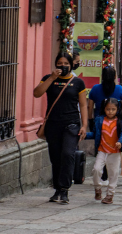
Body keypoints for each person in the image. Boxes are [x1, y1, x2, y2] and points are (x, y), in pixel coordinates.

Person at [33, 52, 88, 204]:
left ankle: (64, 189)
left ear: (71, 65)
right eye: (60, 63)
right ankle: (57, 188)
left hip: (71, 124)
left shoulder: (78, 83)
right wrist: (51, 78)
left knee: (68, 154)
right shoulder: (48, 79)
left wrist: (84, 125)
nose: (63, 66)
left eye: (66, 64)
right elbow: (36, 93)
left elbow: (83, 105)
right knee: (55, 157)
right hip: (53, 124)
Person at [89, 98, 122, 204]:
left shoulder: (120, 122)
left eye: (113, 109)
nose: (110, 111)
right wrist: (83, 135)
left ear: (117, 110)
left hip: (114, 152)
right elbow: (94, 134)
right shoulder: (99, 120)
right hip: (102, 150)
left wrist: (120, 142)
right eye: (108, 109)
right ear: (104, 109)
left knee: (113, 173)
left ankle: (110, 194)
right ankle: (97, 187)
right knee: (96, 169)